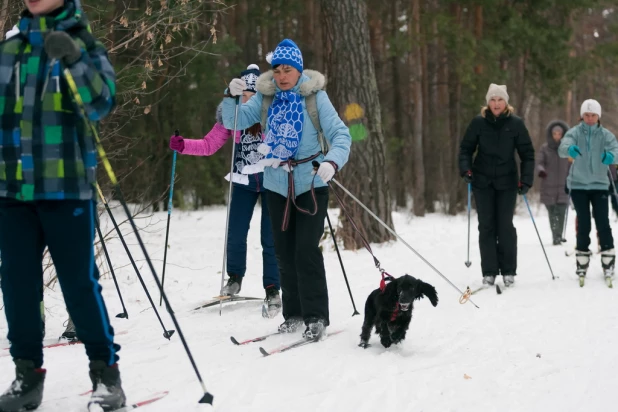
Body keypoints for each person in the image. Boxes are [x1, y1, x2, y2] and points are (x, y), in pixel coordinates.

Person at [0, 0, 125, 411]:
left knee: (77, 283)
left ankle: (106, 374)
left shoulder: (84, 43)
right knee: (18, 285)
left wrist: (74, 60)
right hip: (12, 190)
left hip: (66, 187)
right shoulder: (10, 50)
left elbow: (101, 103)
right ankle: (27, 374)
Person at [221, 39, 351, 339]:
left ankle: (316, 316)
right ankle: (293, 314)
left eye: (288, 69)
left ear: (299, 69)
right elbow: (233, 121)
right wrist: (231, 95)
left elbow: (341, 135)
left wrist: (332, 162)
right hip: (276, 184)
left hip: (310, 182)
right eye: (277, 69)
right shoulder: (265, 98)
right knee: (284, 253)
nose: (281, 76)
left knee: (306, 250)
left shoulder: (315, 97)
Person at [169, 64, 282, 317]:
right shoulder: (231, 116)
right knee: (235, 233)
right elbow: (209, 144)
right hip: (243, 181)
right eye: (242, 95)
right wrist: (183, 145)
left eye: (251, 94)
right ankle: (234, 277)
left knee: (270, 237)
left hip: (270, 181)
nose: (247, 99)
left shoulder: (270, 113)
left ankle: (273, 288)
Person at [459, 84, 535, 288]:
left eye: (500, 100)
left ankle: (508, 270)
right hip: (482, 181)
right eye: (492, 100)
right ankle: (489, 271)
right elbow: (466, 149)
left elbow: (527, 154)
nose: (496, 104)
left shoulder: (515, 124)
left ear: (506, 102)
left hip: (507, 182)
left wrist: (526, 180)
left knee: (505, 226)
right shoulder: (478, 123)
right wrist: (466, 170)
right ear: (487, 102)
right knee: (486, 226)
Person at [558, 99, 618, 279]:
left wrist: (611, 156)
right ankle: (582, 259)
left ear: (598, 116)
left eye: (593, 115)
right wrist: (570, 149)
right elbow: (562, 147)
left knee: (603, 222)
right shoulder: (574, 133)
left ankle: (608, 258)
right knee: (583, 223)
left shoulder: (605, 135)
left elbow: (616, 150)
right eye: (587, 115)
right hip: (578, 185)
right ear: (582, 116)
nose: (590, 118)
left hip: (600, 184)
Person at [537, 120, 571, 245]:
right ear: (551, 134)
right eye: (555, 133)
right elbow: (539, 162)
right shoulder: (545, 148)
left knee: (561, 211)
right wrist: (541, 171)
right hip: (548, 185)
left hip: (564, 185)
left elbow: (573, 163)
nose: (557, 136)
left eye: (559, 133)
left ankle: (558, 235)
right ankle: (554, 235)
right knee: (552, 212)